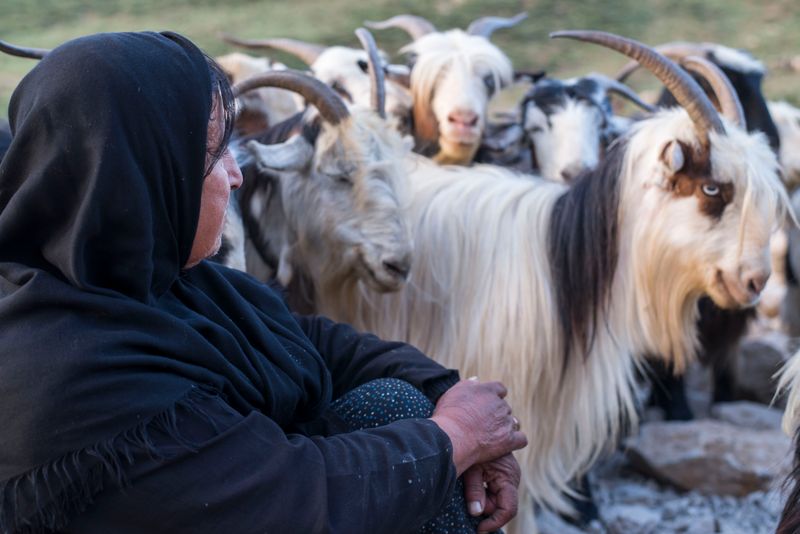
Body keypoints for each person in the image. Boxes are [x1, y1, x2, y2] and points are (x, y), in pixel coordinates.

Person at [0, 31, 527, 533]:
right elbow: (285, 499)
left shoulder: (156, 282)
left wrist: (446, 390)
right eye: (210, 156)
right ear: (131, 175)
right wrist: (458, 436)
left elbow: (314, 341)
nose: (237, 174)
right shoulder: (73, 377)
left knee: (398, 401)